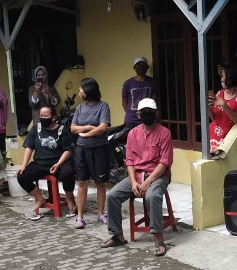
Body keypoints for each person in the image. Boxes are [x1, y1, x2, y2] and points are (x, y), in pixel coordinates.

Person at [101, 97, 172, 256]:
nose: (147, 115)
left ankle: (158, 237)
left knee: (152, 196)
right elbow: (130, 160)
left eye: (150, 112)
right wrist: (133, 181)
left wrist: (148, 181)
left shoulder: (164, 133)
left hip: (158, 175)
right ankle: (117, 235)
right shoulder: (132, 133)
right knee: (112, 195)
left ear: (156, 113)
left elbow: (164, 162)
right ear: (138, 114)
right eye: (144, 112)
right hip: (137, 175)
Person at [17, 103, 76, 219]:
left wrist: (58, 164)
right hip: (40, 163)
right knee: (21, 176)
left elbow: (68, 150)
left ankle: (69, 197)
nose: (42, 118)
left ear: (53, 117)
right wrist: (23, 165)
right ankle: (39, 198)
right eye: (41, 116)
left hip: (59, 162)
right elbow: (29, 147)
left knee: (68, 173)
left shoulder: (62, 130)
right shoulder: (35, 129)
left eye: (45, 116)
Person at [70, 77, 112, 230]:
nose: (79, 92)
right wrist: (87, 127)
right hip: (82, 149)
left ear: (88, 91)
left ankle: (101, 214)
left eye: (81, 90)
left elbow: (103, 127)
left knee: (101, 182)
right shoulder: (80, 108)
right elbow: (73, 128)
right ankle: (80, 217)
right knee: (82, 182)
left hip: (99, 148)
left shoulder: (103, 106)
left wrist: (87, 134)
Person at [209, 65, 237, 157]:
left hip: (229, 139)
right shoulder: (219, 93)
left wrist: (224, 105)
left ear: (230, 78)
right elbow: (214, 118)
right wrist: (207, 107)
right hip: (213, 137)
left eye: (223, 76)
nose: (221, 79)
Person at [120, 57, 158, 130]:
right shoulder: (128, 83)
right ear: (134, 68)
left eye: (143, 65)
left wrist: (150, 114)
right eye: (138, 65)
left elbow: (154, 99)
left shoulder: (153, 82)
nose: (141, 67)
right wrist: (131, 114)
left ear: (147, 67)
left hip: (147, 118)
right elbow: (124, 102)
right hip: (131, 120)